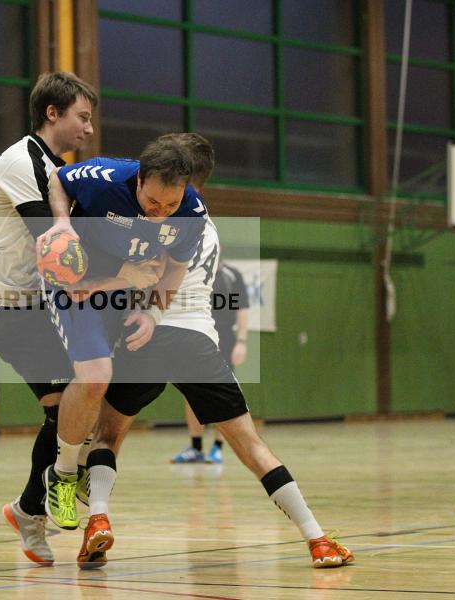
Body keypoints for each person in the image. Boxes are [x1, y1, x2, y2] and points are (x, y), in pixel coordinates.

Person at [75, 133, 353, 570]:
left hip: (148, 334)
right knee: (251, 446)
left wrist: (94, 283)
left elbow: (144, 273)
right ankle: (317, 539)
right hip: (198, 341)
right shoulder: (209, 227)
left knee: (107, 436)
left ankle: (98, 518)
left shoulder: (160, 221)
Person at [0, 72, 100, 564]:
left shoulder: (61, 172)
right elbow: (51, 240)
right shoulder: (21, 161)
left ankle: (30, 510)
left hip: (25, 305)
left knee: (66, 408)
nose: (89, 129)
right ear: (52, 113)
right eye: (82, 117)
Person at [37, 136, 207, 532]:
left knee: (124, 389)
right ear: (139, 179)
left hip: (125, 290)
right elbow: (58, 178)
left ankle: (80, 467)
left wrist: (152, 313)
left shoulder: (192, 212)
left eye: (170, 206)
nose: (160, 214)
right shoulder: (105, 177)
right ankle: (62, 474)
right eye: (152, 203)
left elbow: (174, 270)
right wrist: (61, 222)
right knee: (96, 375)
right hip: (76, 283)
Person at [171, 261, 248, 464]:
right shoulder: (190, 271)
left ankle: (217, 447)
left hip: (223, 339)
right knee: (191, 390)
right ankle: (195, 447)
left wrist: (241, 341)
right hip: (194, 336)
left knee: (221, 393)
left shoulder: (232, 275)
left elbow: (242, 309)